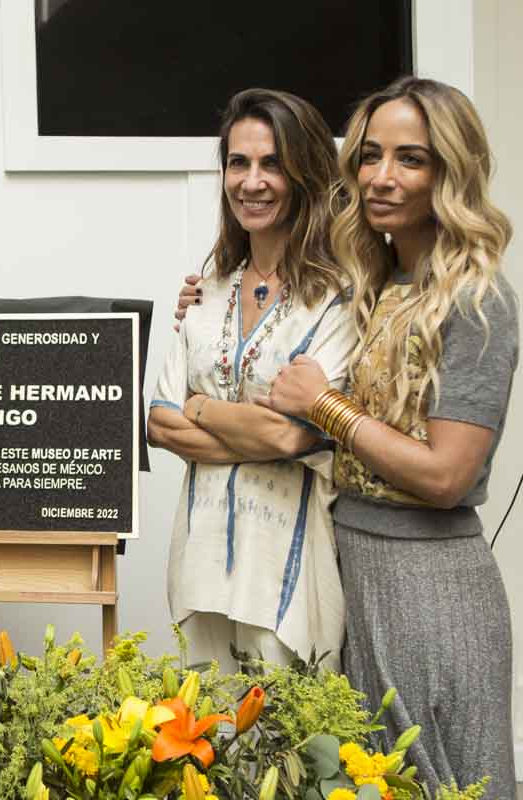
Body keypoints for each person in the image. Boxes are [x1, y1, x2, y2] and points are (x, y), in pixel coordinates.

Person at [260, 77, 518, 797]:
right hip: (354, 566)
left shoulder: (478, 298)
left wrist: (327, 408)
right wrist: (206, 291)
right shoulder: (373, 283)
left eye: (411, 158)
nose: (380, 176)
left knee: (445, 784)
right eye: (369, 155)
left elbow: (447, 477)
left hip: (431, 583)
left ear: (450, 172)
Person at [147, 89, 355, 673]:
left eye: (272, 164)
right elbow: (158, 422)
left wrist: (202, 409)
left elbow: (293, 437)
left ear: (306, 172)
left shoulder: (335, 298)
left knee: (296, 748)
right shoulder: (207, 292)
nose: (252, 181)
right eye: (239, 163)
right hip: (200, 564)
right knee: (204, 745)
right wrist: (246, 426)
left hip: (289, 567)